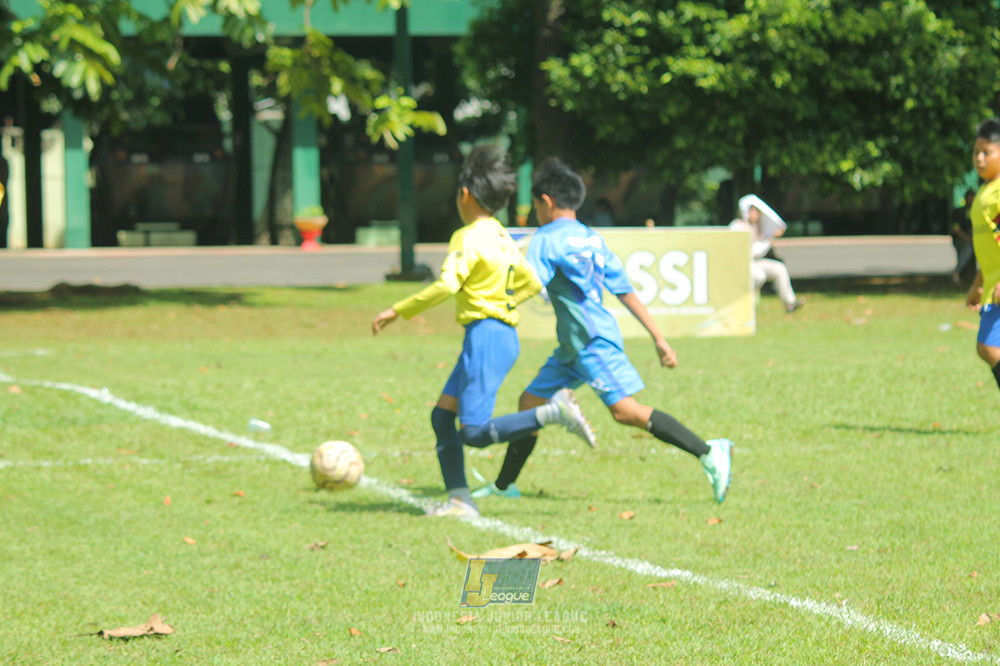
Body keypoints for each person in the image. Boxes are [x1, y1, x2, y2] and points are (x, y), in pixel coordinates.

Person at [472, 158, 733, 504]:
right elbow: (625, 290)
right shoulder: (591, 238)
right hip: (574, 346)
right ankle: (505, 487)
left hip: (592, 344)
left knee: (626, 412)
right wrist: (658, 337)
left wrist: (494, 303)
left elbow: (529, 283)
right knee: (529, 403)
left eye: (535, 204)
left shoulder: (546, 238)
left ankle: (708, 450)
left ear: (545, 201)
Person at [371, 146, 596, 518]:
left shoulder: (468, 236)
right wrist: (505, 302)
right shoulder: (501, 234)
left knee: (473, 432)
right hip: (498, 334)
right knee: (442, 418)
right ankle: (460, 501)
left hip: (486, 336)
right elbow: (532, 280)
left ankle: (553, 412)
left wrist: (399, 310)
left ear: (465, 195)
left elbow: (446, 285)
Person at [964, 118, 1000, 394]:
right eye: (976, 152)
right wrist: (978, 283)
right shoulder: (985, 192)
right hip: (991, 288)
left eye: (986, 152)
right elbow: (988, 248)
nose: (978, 158)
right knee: (986, 346)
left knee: (988, 346)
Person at [729, 194, 804, 314]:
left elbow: (757, 253)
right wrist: (769, 240)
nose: (756, 213)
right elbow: (752, 251)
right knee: (759, 276)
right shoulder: (737, 226)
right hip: (741, 264)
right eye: (753, 210)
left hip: (754, 262)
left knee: (779, 268)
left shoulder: (757, 227)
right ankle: (741, 304)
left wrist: (770, 238)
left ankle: (790, 303)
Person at [951, 188, 975, 284]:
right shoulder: (959, 212)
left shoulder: (976, 211)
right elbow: (955, 229)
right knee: (967, 249)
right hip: (961, 239)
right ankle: (956, 272)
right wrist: (968, 238)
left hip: (974, 239)